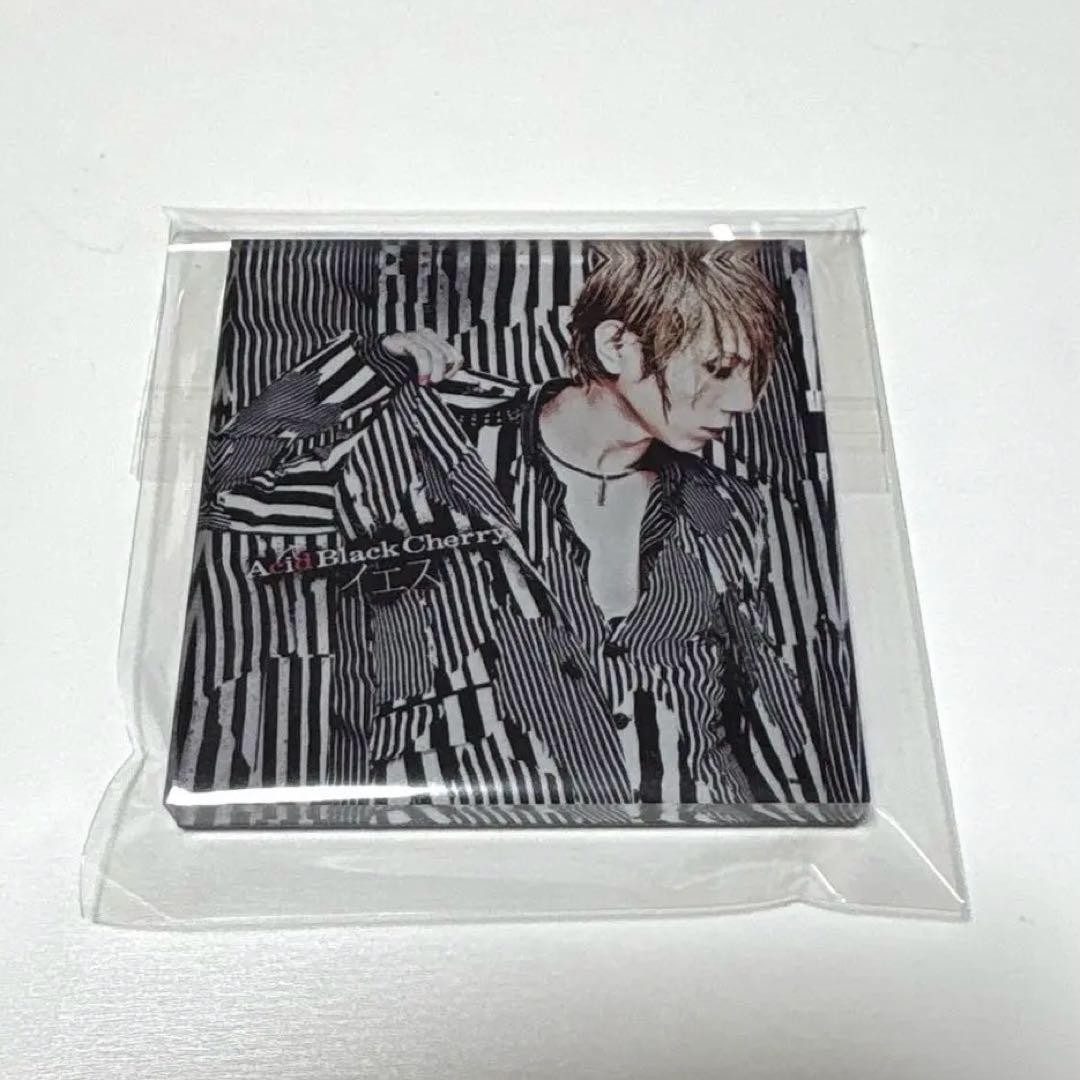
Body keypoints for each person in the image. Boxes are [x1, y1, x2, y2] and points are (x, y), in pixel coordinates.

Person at [184, 241, 824, 820]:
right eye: (718, 368)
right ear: (617, 346)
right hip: (460, 839)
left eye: (753, 376)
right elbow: (220, 493)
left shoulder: (729, 508)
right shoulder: (429, 452)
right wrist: (364, 369)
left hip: (686, 853)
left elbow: (766, 709)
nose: (743, 401)